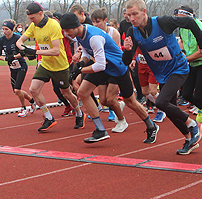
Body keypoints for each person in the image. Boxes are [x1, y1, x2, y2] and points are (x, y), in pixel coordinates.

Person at [121, 0, 202, 154]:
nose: (131, 18)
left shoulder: (162, 22)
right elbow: (126, 61)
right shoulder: (133, 31)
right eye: (128, 15)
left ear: (144, 12)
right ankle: (189, 139)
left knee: (161, 102)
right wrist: (127, 50)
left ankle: (193, 125)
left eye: (135, 14)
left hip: (178, 68)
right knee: (171, 110)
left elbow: (190, 22)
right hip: (162, 74)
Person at [59, 13, 154, 144]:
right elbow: (87, 51)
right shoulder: (80, 33)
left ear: (76, 26)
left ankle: (151, 125)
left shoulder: (94, 37)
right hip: (105, 66)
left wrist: (80, 70)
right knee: (82, 92)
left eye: (67, 30)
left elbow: (100, 65)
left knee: (130, 101)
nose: (66, 33)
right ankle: (100, 130)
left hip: (117, 67)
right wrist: (82, 62)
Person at [16, 2, 79, 132]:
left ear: (40, 13)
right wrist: (24, 50)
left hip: (60, 65)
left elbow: (56, 51)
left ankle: (79, 112)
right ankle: (49, 117)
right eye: (29, 19)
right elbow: (19, 41)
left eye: (32, 18)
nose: (31, 21)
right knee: (33, 89)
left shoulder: (54, 25)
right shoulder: (34, 26)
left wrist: (35, 52)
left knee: (66, 92)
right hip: (45, 64)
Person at [173, 5, 202, 129]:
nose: (178, 22)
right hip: (191, 64)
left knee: (199, 95)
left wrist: (183, 59)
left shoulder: (201, 29)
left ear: (188, 17)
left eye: (181, 19)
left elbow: (201, 52)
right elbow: (181, 41)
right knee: (185, 94)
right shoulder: (183, 27)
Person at [0, 19, 37, 117]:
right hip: (12, 67)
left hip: (21, 67)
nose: (4, 31)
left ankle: (23, 108)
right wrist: (6, 59)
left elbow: (23, 53)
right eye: (3, 29)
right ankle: (32, 101)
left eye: (6, 29)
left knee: (17, 90)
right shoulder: (1, 40)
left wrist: (14, 56)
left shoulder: (17, 38)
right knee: (16, 91)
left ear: (11, 29)